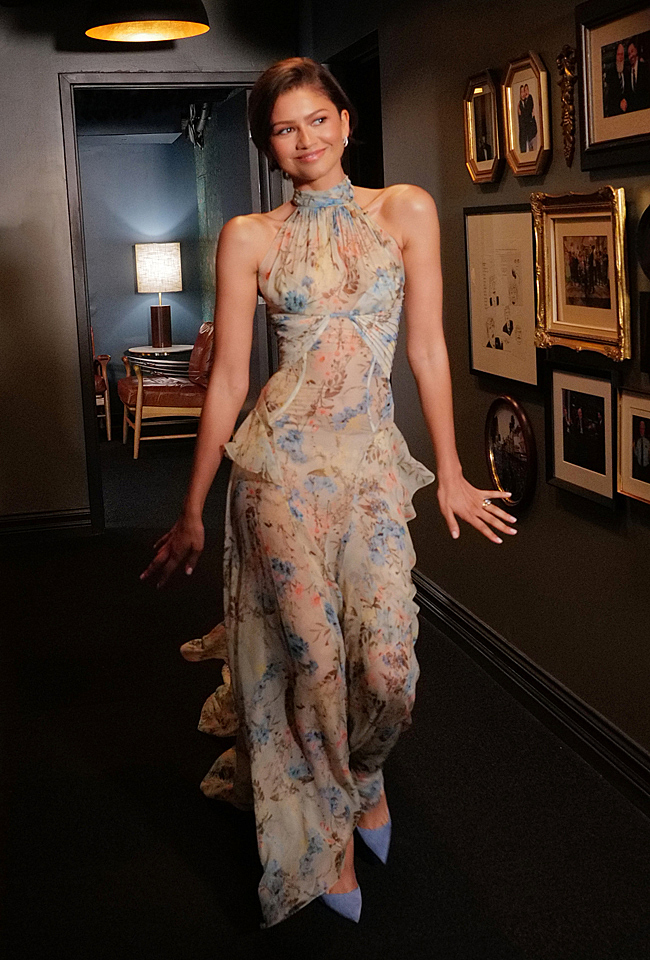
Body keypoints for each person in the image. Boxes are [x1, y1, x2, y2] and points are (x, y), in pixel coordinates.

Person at [140, 57, 516, 929]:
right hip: (276, 468)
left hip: (371, 469)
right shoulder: (249, 235)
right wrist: (192, 509)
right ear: (267, 146)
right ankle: (329, 834)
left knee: (387, 670)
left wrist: (452, 470)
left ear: (346, 122)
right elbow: (230, 379)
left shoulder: (406, 210)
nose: (304, 139)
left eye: (318, 119)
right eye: (284, 128)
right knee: (312, 659)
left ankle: (363, 772)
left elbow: (427, 349)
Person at [605, 42, 629, 116]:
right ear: (615, 56)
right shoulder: (611, 73)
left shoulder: (627, 72)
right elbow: (611, 95)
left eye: (622, 54)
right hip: (614, 111)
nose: (620, 57)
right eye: (619, 54)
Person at [627, 38, 650, 112]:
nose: (631, 56)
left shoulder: (645, 67)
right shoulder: (627, 74)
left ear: (636, 50)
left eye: (632, 51)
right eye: (629, 54)